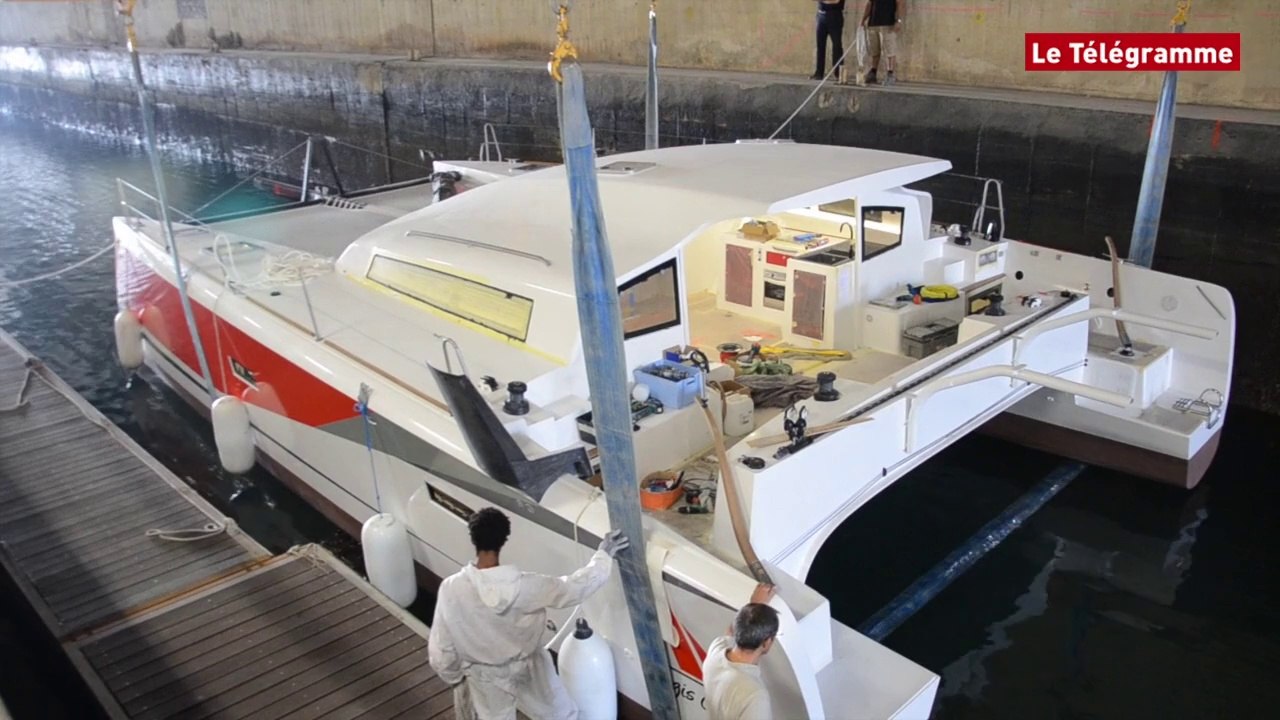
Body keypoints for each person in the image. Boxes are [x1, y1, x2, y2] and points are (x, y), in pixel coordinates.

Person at [428, 507, 630, 720]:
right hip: (530, 665)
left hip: (485, 674)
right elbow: (572, 588)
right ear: (504, 539)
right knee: (559, 714)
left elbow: (441, 648)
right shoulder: (526, 587)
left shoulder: (451, 588)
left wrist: (455, 677)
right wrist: (603, 555)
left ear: (473, 539)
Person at [703, 583, 779, 720]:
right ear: (767, 642)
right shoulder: (755, 696)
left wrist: (753, 607)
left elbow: (730, 634)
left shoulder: (716, 651)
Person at [861, 0, 903, 85]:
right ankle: (873, 71)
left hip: (888, 23)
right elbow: (869, 3)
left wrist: (898, 21)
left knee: (889, 49)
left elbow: (900, 3)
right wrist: (863, 19)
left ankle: (890, 73)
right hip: (873, 22)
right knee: (874, 49)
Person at [812, 0, 847, 81]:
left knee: (837, 46)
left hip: (834, 16)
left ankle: (838, 73)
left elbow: (835, 1)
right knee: (820, 46)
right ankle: (819, 73)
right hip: (821, 15)